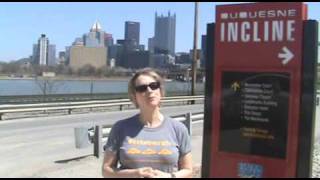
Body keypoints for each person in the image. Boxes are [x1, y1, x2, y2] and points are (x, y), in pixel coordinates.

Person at [102, 68, 193, 178]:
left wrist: (169, 177)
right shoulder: (120, 128)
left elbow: (188, 171)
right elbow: (106, 171)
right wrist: (134, 174)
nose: (149, 91)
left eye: (154, 86)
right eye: (142, 88)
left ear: (160, 91)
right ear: (134, 96)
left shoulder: (178, 129)